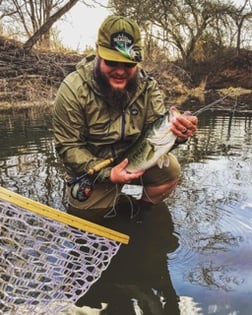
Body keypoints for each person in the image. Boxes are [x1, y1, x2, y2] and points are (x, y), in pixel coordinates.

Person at [53, 15, 198, 223]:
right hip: (96, 172)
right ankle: (115, 197)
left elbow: (159, 138)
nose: (120, 71)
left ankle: (137, 207)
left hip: (136, 161)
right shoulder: (72, 90)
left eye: (128, 64)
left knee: (171, 171)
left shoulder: (148, 88)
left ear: (137, 61)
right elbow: (68, 148)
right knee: (86, 216)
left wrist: (180, 134)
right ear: (98, 55)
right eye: (112, 61)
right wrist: (109, 175)